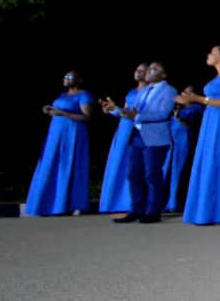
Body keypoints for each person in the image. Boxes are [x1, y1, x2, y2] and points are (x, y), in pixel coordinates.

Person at [177, 43, 220, 225]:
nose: (208, 55)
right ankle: (205, 208)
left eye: (212, 52)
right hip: (212, 119)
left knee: (218, 161)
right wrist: (189, 100)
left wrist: (198, 98)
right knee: (208, 161)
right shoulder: (219, 77)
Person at [113, 62, 176, 223]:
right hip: (137, 135)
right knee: (133, 174)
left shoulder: (169, 91)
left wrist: (138, 117)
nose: (149, 71)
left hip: (156, 137)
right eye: (149, 68)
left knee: (152, 174)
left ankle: (154, 211)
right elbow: (133, 111)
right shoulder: (144, 90)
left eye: (154, 69)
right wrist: (114, 109)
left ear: (163, 75)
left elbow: (163, 114)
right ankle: (137, 210)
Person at [25, 70, 93, 216]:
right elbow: (58, 111)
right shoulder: (62, 95)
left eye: (70, 77)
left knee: (67, 164)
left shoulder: (83, 95)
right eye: (65, 77)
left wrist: (63, 113)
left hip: (72, 133)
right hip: (56, 134)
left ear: (79, 80)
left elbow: (86, 116)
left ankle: (68, 204)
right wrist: (49, 111)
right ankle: (47, 203)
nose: (66, 79)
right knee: (51, 164)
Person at [99, 63, 148, 214]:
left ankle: (138, 202)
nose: (138, 72)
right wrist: (112, 110)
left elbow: (139, 112)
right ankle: (117, 202)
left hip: (140, 129)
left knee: (138, 166)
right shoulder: (131, 91)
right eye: (137, 70)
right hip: (124, 129)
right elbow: (125, 111)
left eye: (142, 70)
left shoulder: (152, 91)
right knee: (120, 163)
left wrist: (119, 109)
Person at [165, 86, 202, 213]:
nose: (182, 94)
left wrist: (178, 116)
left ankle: (176, 202)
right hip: (172, 143)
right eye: (183, 92)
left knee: (180, 171)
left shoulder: (196, 109)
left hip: (185, 143)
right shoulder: (178, 108)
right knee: (169, 170)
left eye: (186, 93)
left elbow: (190, 124)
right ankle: (166, 202)